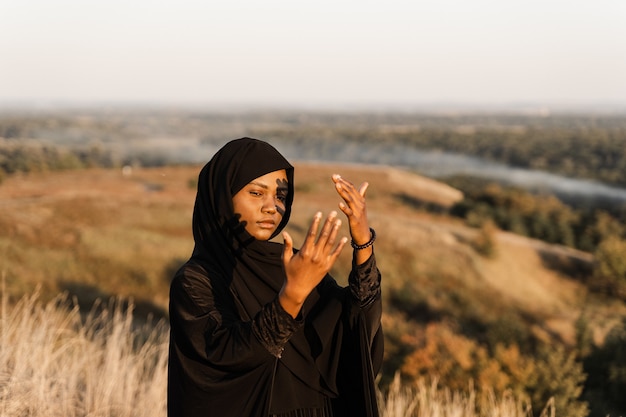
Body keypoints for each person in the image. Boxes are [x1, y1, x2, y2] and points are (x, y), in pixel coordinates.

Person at [167, 138, 383, 417]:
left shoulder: (292, 264)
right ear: (222, 196)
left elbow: (356, 330)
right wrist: (291, 296)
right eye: (257, 194)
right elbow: (226, 358)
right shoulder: (196, 281)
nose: (272, 207)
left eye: (280, 196)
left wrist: (363, 242)